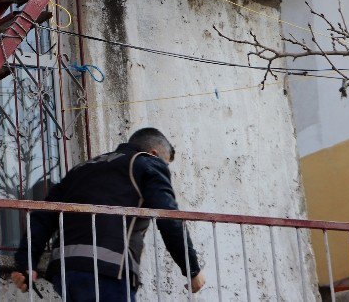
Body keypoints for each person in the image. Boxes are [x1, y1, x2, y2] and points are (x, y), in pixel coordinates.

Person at [11, 127, 206, 300]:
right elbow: (169, 217)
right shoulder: (146, 163)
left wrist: (25, 262)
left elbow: (43, 217)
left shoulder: (81, 169)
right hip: (108, 270)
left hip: (65, 271)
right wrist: (192, 269)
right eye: (165, 162)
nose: (165, 168)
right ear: (154, 153)